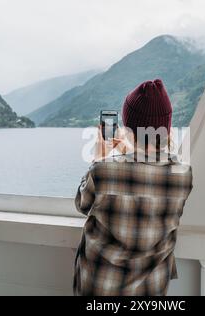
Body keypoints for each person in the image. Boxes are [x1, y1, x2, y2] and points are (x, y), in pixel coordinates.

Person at [73, 79, 193, 296]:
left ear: (127, 129)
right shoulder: (183, 174)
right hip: (152, 287)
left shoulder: (103, 170)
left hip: (101, 285)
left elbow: (82, 204)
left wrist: (101, 157)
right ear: (166, 130)